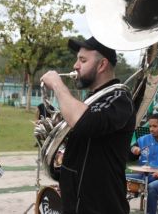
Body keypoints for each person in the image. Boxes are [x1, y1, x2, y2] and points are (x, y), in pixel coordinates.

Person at [40, 36, 135, 214]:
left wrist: (58, 85)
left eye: (83, 60)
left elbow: (86, 122)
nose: (76, 65)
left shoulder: (119, 98)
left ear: (102, 65)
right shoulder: (92, 100)